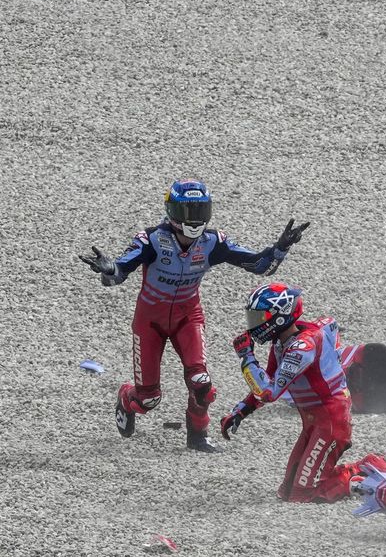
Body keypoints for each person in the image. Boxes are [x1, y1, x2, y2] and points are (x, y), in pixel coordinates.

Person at [78, 179, 309, 451]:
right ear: (173, 213)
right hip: (149, 323)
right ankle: (127, 398)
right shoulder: (151, 239)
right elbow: (119, 274)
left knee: (202, 382)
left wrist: (280, 247)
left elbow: (259, 265)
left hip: (188, 318)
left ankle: (198, 436)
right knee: (148, 400)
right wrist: (108, 270)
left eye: (200, 211)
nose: (195, 219)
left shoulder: (213, 242)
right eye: (189, 211)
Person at [217, 283, 386, 501]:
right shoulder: (281, 343)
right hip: (313, 420)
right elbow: (268, 381)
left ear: (280, 317)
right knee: (286, 491)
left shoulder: (303, 348)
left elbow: (269, 392)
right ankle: (345, 472)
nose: (253, 325)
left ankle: (366, 469)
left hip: (330, 421)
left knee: (303, 494)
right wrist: (240, 411)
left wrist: (246, 356)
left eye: (259, 318)